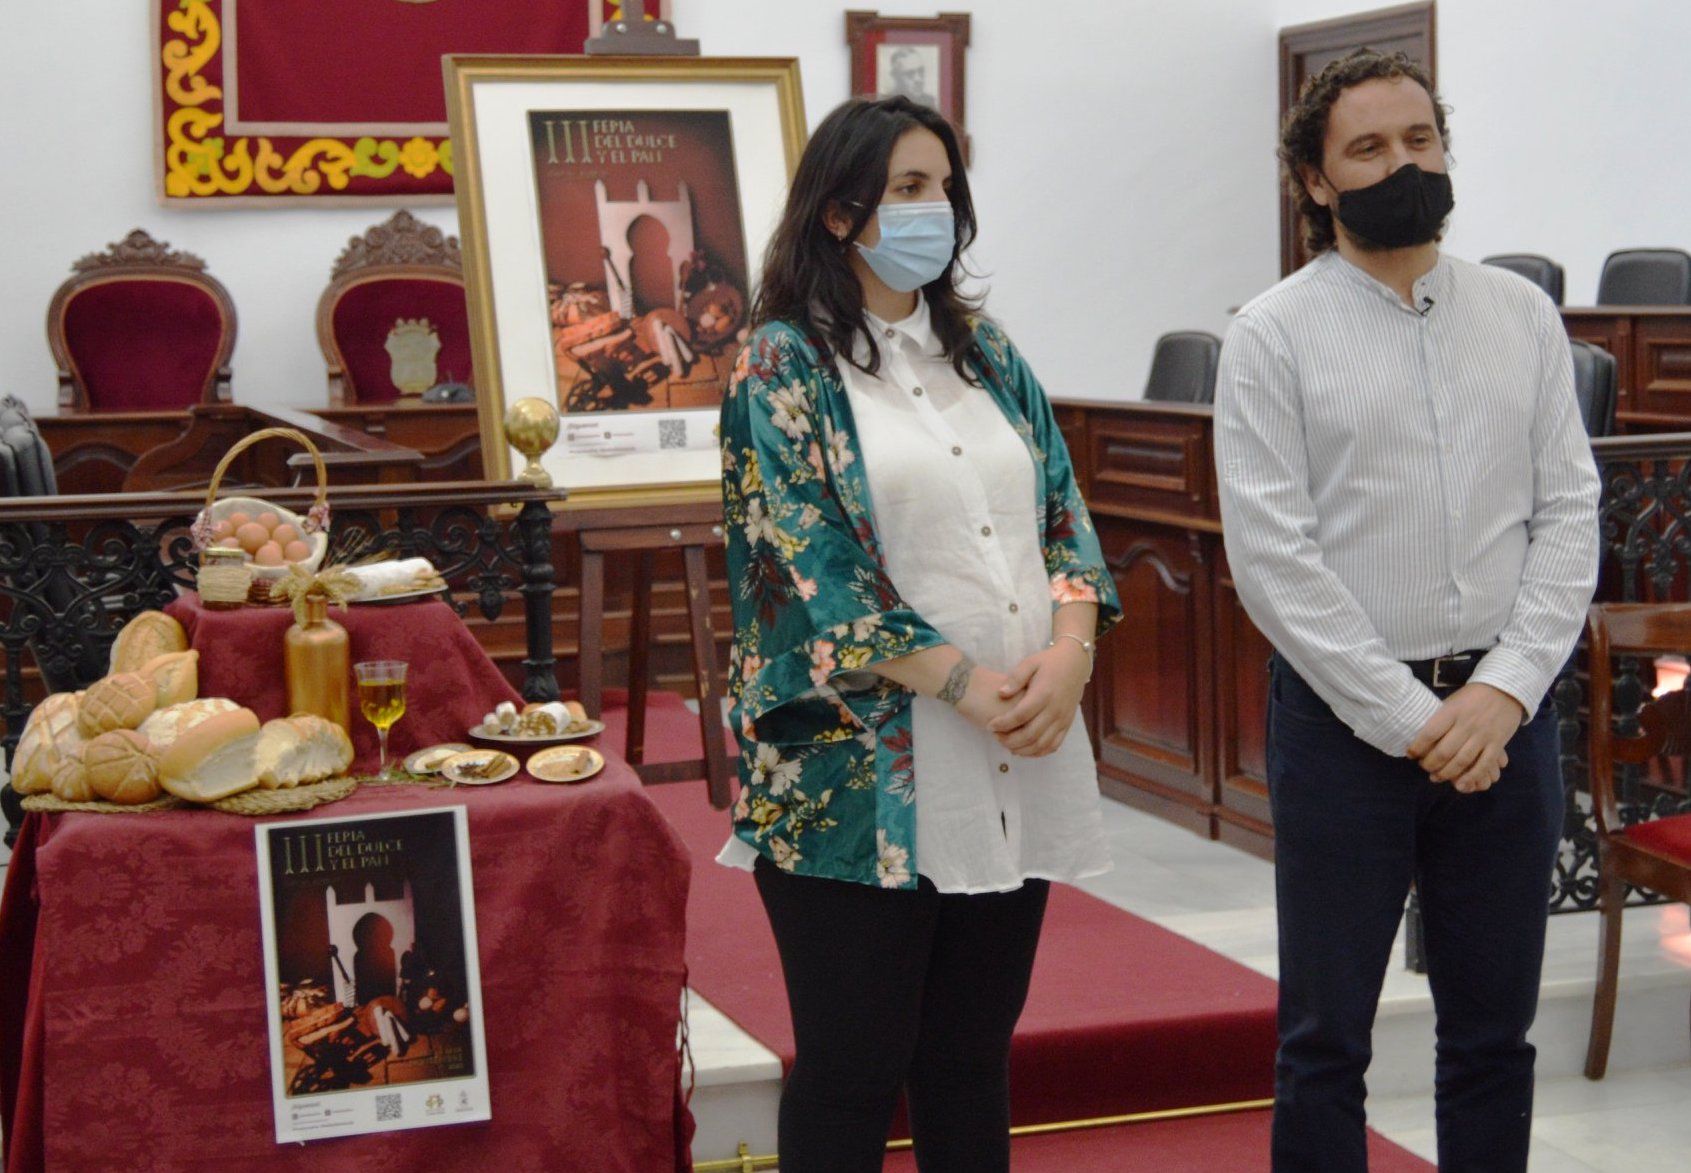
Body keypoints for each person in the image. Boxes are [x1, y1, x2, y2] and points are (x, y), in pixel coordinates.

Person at [717, 94, 1119, 1173]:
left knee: (967, 1062)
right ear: (839, 211)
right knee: (853, 1068)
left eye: (941, 186)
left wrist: (1069, 656)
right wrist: (963, 685)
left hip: (1012, 740)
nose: (932, 208)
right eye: (905, 188)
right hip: (856, 768)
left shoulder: (983, 349)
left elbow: (1064, 518)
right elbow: (810, 565)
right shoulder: (780, 363)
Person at [1215, 50, 1600, 1172]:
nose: (1402, 163)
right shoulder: (1271, 335)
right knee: (1323, 1040)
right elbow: (1272, 560)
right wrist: (1414, 720)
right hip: (1345, 733)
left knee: (1492, 1036)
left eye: (1419, 139)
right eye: (1368, 148)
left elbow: (1567, 517)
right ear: (1314, 180)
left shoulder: (1519, 318)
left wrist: (1500, 691)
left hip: (1505, 727)